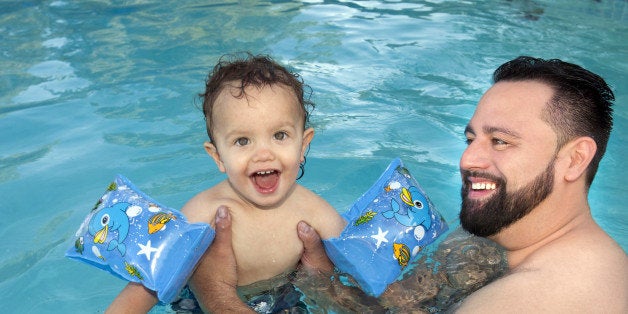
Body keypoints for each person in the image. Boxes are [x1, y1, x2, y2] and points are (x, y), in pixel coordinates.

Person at [195, 56, 628, 313]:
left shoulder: (534, 300)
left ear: (574, 159)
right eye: (471, 138)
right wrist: (325, 283)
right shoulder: (512, 230)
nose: (469, 159)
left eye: (500, 141)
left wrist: (217, 295)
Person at [106, 53, 346, 313]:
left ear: (303, 145)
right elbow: (147, 284)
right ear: (218, 156)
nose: (263, 153)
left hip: (284, 299)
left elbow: (362, 263)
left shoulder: (315, 212)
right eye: (242, 141)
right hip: (199, 304)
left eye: (280, 135)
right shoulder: (204, 213)